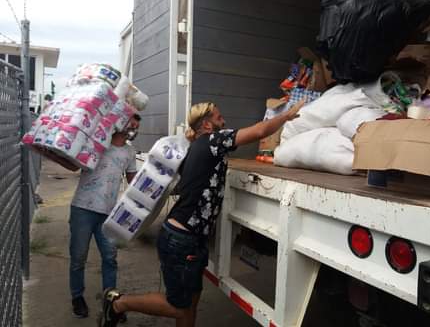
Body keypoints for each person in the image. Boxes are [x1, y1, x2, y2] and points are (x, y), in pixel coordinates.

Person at [98, 100, 304, 327]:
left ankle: (120, 303)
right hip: (181, 238)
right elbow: (259, 131)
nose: (223, 121)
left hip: (191, 238)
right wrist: (286, 116)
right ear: (206, 125)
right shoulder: (212, 141)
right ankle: (118, 303)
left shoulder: (195, 148)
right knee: (178, 306)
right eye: (218, 118)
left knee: (191, 304)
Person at [44, 114, 141, 319]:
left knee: (110, 258)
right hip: (83, 209)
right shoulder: (98, 142)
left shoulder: (130, 152)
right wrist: (49, 152)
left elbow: (133, 181)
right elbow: (74, 165)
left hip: (109, 213)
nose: (135, 126)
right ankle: (77, 297)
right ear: (120, 121)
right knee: (78, 257)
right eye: (132, 121)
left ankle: (112, 303)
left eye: (137, 123)